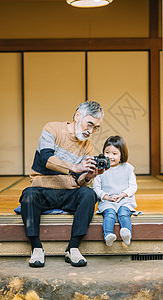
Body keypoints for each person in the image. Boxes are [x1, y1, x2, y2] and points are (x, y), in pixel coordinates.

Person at [19, 101, 104, 268]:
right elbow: (46, 159)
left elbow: (80, 180)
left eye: (96, 128)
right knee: (28, 195)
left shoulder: (88, 147)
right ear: (78, 115)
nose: (91, 131)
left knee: (89, 194)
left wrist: (88, 176)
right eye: (90, 124)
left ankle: (73, 247)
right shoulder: (52, 128)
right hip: (42, 190)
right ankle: (36, 247)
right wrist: (74, 167)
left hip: (68, 192)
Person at [93, 135, 137, 247]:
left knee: (124, 213)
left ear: (122, 154)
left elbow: (133, 186)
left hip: (124, 199)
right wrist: (106, 196)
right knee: (110, 214)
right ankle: (108, 235)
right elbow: (96, 188)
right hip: (108, 200)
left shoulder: (128, 168)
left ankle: (126, 233)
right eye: (107, 152)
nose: (110, 156)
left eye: (114, 153)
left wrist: (123, 194)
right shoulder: (100, 169)